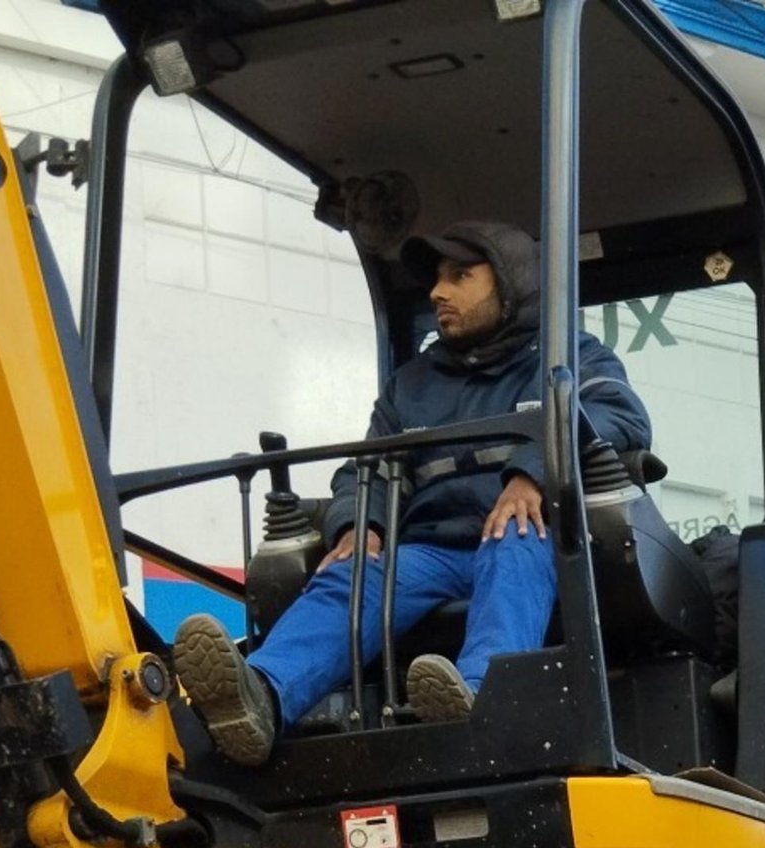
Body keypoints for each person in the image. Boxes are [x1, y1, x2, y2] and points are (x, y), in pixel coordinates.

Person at [172, 223, 655, 763]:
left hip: (526, 544)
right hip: (433, 553)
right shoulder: (411, 385)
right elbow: (367, 469)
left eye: (460, 276)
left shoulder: (573, 361)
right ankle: (260, 696)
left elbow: (618, 414)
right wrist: (360, 526)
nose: (437, 292)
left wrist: (531, 474)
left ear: (511, 285)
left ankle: (477, 698)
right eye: (436, 280)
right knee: (355, 575)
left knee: (516, 535)